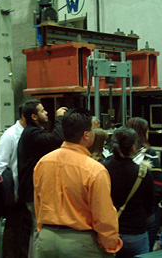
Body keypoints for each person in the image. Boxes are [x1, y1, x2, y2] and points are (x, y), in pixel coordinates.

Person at [33, 108, 123, 257]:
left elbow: (38, 202)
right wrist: (111, 245)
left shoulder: (43, 163)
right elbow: (103, 215)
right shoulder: (94, 169)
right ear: (86, 135)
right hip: (81, 243)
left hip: (46, 241)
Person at [17, 100, 67, 257]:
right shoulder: (32, 133)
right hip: (32, 192)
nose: (46, 113)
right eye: (42, 111)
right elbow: (55, 139)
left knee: (37, 228)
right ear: (34, 116)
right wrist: (59, 118)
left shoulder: (35, 131)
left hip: (34, 191)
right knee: (38, 229)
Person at [104, 127, 154, 257]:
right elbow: (150, 205)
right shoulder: (143, 172)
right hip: (135, 231)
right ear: (133, 146)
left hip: (109, 231)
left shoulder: (102, 169)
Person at [0, 102, 31, 258]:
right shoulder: (10, 135)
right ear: (26, 115)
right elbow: (0, 166)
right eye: (41, 111)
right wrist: (9, 193)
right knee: (13, 232)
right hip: (14, 194)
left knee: (25, 234)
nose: (45, 114)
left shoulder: (32, 133)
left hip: (27, 192)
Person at [126, 117, 162, 252]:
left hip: (122, 215)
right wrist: (150, 209)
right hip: (146, 215)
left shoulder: (114, 155)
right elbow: (158, 185)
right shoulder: (150, 154)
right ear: (143, 132)